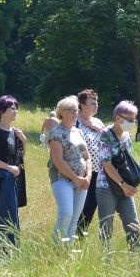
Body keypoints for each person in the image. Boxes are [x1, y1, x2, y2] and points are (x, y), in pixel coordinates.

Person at [0, 95, 27, 255]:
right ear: (2, 111)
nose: (15, 111)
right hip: (0, 180)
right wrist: (8, 168)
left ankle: (12, 249)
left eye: (16, 108)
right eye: (12, 108)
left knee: (12, 213)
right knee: (0, 212)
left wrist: (24, 140)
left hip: (14, 180)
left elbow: (20, 158)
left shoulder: (15, 133)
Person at [96, 101, 140, 250]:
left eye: (134, 119)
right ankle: (105, 261)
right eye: (129, 119)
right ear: (118, 118)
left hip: (126, 188)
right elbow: (107, 164)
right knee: (106, 226)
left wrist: (128, 185)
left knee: (133, 225)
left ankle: (137, 261)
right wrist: (123, 184)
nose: (132, 123)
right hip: (107, 188)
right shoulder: (105, 134)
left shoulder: (127, 136)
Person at [48, 96, 92, 243]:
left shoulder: (78, 132)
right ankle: (55, 248)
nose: (75, 113)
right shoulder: (56, 133)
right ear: (62, 112)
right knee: (66, 213)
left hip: (82, 180)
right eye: (71, 110)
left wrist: (88, 177)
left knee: (75, 218)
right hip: (62, 180)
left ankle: (67, 251)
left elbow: (87, 157)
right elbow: (58, 161)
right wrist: (77, 179)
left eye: (76, 110)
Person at [75, 89, 104, 237]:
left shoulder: (98, 122)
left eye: (96, 102)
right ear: (82, 105)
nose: (96, 105)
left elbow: (107, 143)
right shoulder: (75, 121)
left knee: (92, 204)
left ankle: (80, 233)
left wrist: (96, 128)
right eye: (92, 103)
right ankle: (70, 233)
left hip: (97, 171)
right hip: (79, 171)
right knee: (79, 204)